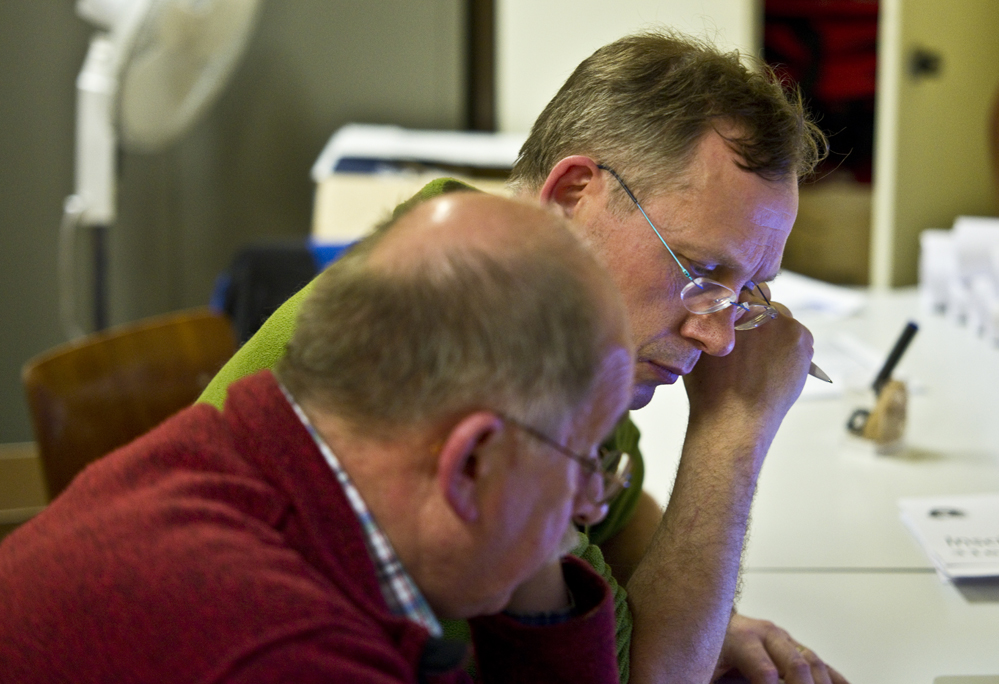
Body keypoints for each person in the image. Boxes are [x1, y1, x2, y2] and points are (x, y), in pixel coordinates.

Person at [198, 29, 846, 684]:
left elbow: (622, 531)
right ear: (571, 196)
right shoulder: (464, 368)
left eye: (748, 291)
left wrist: (700, 618)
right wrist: (733, 430)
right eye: (700, 269)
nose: (721, 338)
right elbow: (643, 678)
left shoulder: (521, 282)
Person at [0, 193, 636, 683]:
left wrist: (527, 529)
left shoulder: (237, 460)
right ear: (469, 462)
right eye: (586, 461)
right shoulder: (281, 645)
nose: (589, 506)